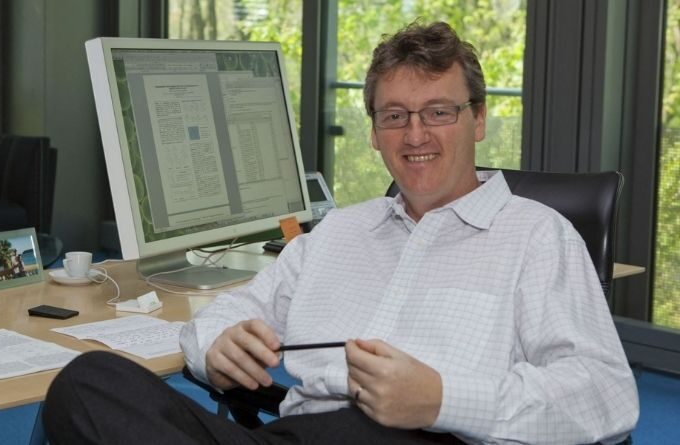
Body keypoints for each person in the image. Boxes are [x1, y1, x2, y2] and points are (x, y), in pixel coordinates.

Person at [43, 20, 638, 444]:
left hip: (437, 437)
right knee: (89, 382)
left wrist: (441, 400)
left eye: (439, 112)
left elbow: (604, 395)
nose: (416, 135)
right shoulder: (337, 234)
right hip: (299, 433)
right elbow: (230, 312)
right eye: (394, 116)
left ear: (477, 119)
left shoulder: (537, 237)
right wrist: (216, 349)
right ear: (374, 132)